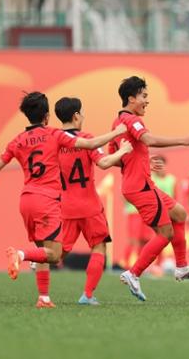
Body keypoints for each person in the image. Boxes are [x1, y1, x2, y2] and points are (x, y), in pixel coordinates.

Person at [0, 91, 127, 308]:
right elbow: (101, 159)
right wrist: (120, 140)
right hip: (73, 204)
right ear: (48, 116)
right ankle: (84, 293)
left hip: (47, 203)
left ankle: (44, 297)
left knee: (47, 251)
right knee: (89, 249)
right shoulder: (58, 137)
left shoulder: (20, 140)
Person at [111, 76, 189, 301]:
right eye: (144, 96)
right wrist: (183, 141)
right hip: (140, 187)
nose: (147, 101)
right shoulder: (131, 120)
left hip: (140, 184)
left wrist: (142, 160)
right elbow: (148, 140)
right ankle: (133, 273)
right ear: (131, 98)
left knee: (180, 214)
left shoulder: (117, 122)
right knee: (165, 233)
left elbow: (115, 157)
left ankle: (181, 266)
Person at [54, 97, 132, 305]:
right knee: (98, 248)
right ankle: (87, 295)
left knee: (57, 252)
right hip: (89, 206)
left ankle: (28, 257)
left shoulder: (54, 141)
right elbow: (104, 162)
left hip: (66, 206)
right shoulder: (87, 139)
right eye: (82, 113)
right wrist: (123, 151)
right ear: (76, 115)